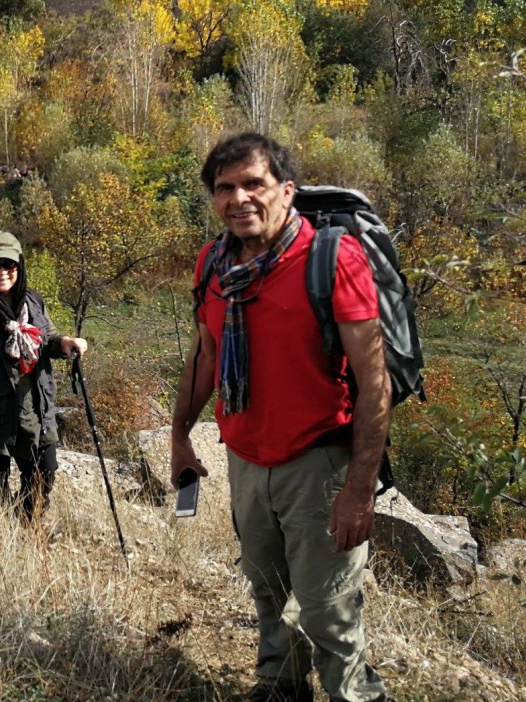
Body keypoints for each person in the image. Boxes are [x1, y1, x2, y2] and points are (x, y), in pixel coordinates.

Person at [170, 132, 390, 702]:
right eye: (225, 188)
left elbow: (375, 383)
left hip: (319, 462)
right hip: (246, 458)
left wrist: (359, 489)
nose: (239, 198)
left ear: (286, 191)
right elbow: (205, 355)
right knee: (268, 592)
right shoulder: (214, 263)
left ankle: (353, 696)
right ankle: (280, 687)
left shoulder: (331, 259)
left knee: (328, 610)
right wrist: (180, 436)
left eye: (254, 184)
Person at [0, 232, 86, 519]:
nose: (2, 272)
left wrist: (65, 343)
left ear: (19, 266)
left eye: (8, 265)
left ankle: (27, 524)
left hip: (35, 410)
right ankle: (2, 534)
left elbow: (47, 338)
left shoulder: (32, 301)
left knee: (44, 475)